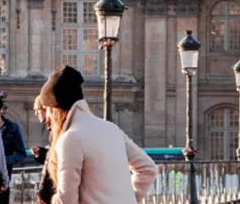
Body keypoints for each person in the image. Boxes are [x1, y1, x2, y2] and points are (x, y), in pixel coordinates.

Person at [38, 65, 157, 204]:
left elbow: (67, 200)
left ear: (56, 111)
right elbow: (148, 168)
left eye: (48, 111)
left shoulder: (70, 139)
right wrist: (130, 199)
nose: (48, 119)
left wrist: (50, 200)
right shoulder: (111, 129)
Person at [0, 97, 28, 204]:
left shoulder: (13, 128)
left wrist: (4, 160)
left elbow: (21, 153)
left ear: (0, 110)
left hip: (3, 178)